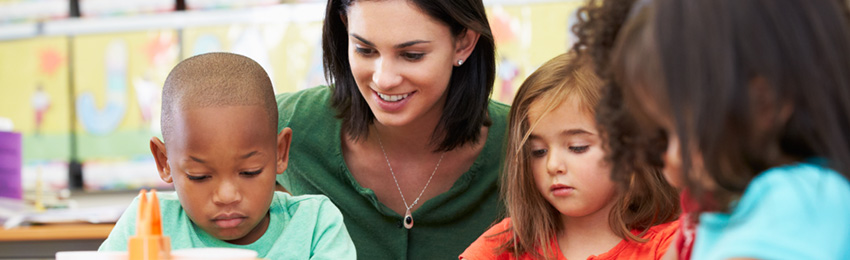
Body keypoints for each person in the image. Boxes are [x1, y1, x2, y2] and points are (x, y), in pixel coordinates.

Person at [608, 0, 850, 259]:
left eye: (688, 131)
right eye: (664, 136)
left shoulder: (804, 197)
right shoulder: (725, 210)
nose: (674, 157)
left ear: (765, 102)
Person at [274, 0, 507, 258]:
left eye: (412, 55)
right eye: (365, 50)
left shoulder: (525, 142)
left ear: (463, 43)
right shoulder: (288, 122)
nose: (384, 79)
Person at [99, 52, 356, 259]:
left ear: (280, 152)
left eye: (250, 171)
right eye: (199, 176)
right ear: (164, 161)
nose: (227, 196)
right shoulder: (146, 225)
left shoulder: (314, 225)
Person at [460, 53, 679, 260]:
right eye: (538, 151)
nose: (552, 165)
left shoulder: (672, 246)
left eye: (577, 147)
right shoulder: (505, 245)